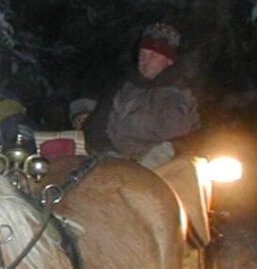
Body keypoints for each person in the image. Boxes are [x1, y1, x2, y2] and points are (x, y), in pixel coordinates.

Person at [82, 22, 199, 168]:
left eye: (153, 55)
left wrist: (169, 150)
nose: (145, 60)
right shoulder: (121, 87)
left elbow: (201, 135)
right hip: (118, 163)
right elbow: (95, 125)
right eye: (142, 54)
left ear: (169, 60)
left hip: (167, 167)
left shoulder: (187, 94)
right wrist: (108, 152)